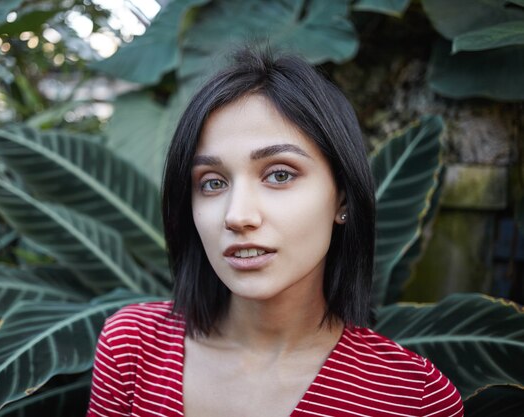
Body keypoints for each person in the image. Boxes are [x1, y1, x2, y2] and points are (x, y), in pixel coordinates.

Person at [86, 47, 464, 417]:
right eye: (213, 183)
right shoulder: (134, 347)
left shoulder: (413, 398)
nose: (237, 216)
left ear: (343, 200)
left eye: (279, 174)